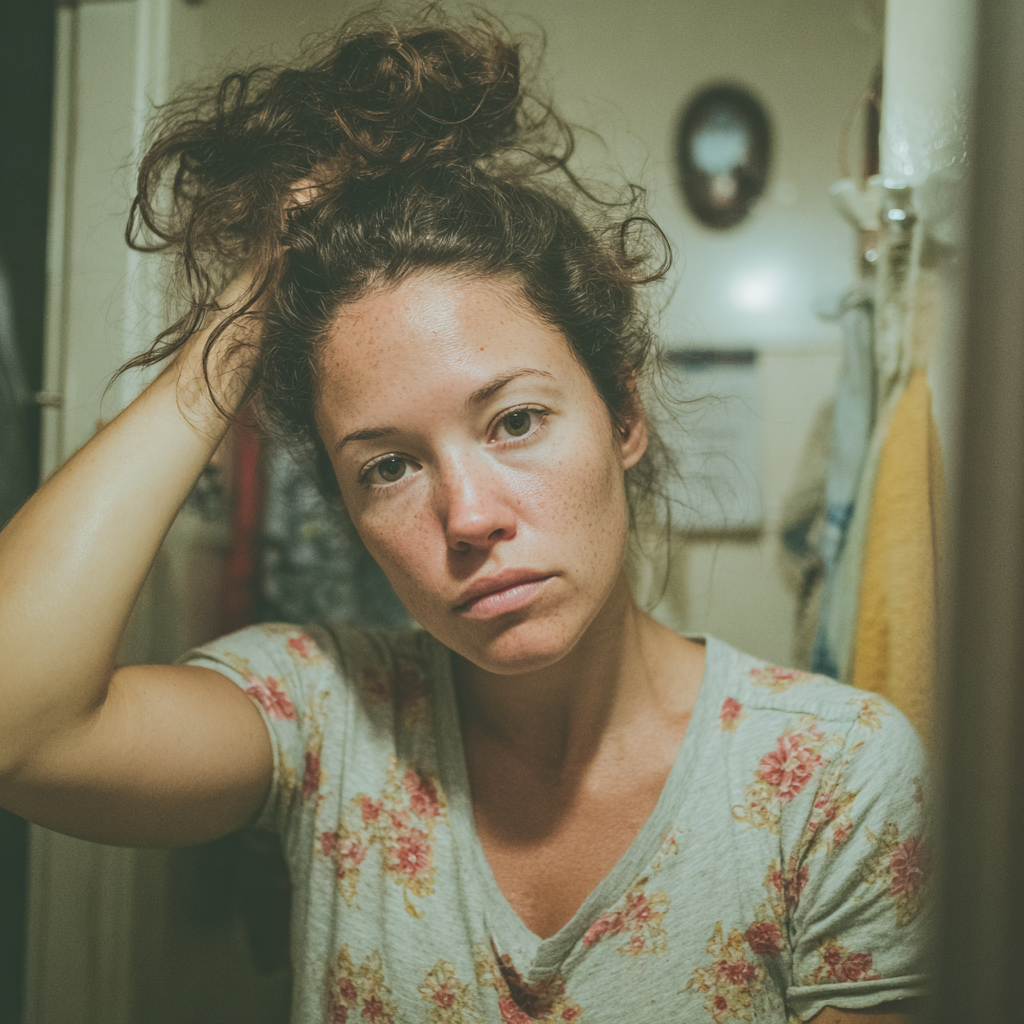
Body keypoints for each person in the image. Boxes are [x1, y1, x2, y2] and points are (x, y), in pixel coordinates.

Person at [0, 16, 927, 1024]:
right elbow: (22, 727)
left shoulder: (835, 780)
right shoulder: (328, 718)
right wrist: (248, 313)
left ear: (623, 412)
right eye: (389, 466)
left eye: (516, 421)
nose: (470, 516)